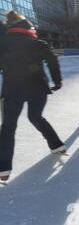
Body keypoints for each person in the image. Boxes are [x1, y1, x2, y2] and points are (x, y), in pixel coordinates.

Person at [0, 11, 66, 182]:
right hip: (38, 89)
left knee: (8, 127)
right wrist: (57, 81)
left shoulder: (3, 42)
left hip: (12, 89)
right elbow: (52, 60)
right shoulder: (37, 43)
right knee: (36, 117)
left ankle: (3, 168)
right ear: (27, 27)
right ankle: (57, 145)